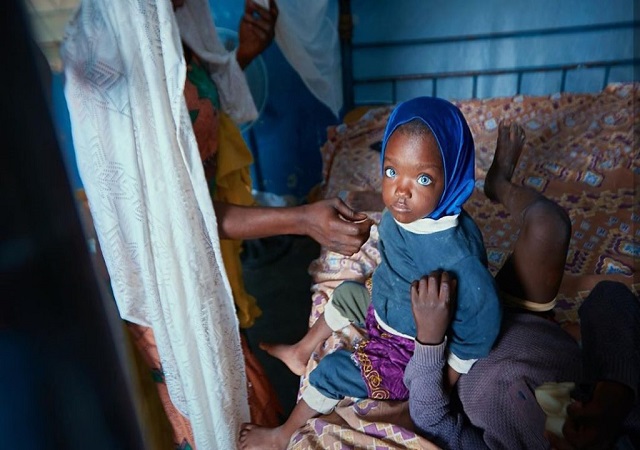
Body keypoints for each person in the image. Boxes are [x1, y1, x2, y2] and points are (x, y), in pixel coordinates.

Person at [61, 0, 372, 448]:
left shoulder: (170, 26)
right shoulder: (104, 56)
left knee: (241, 402)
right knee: (222, 413)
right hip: (166, 284)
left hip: (202, 260)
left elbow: (185, 116)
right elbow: (174, 214)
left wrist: (241, 55)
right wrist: (301, 218)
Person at [239, 96, 502, 449]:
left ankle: (281, 434)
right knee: (347, 292)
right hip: (390, 311)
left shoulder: (458, 259)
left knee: (331, 370)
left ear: (452, 176)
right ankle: (301, 350)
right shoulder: (413, 210)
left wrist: (436, 388)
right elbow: (395, 200)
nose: (400, 192)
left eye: (423, 178)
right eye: (391, 171)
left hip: (410, 349)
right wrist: (368, 201)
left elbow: (478, 331)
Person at [403, 121, 640, 449]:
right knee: (549, 224)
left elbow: (432, 419)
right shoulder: (613, 428)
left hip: (456, 348)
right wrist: (614, 397)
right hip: (524, 314)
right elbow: (610, 299)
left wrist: (429, 340)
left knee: (413, 250)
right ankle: (499, 184)